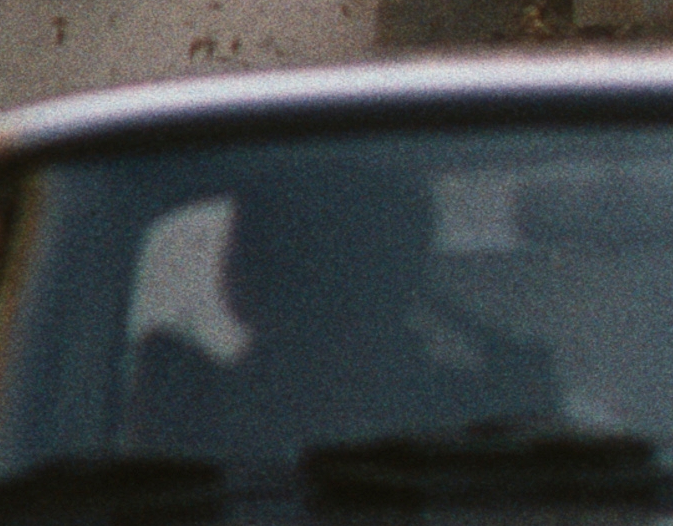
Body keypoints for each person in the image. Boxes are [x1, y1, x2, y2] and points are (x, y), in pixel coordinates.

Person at [124, 161, 554, 462]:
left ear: (242, 274)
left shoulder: (193, 412)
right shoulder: (482, 419)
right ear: (408, 275)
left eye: (242, 246)